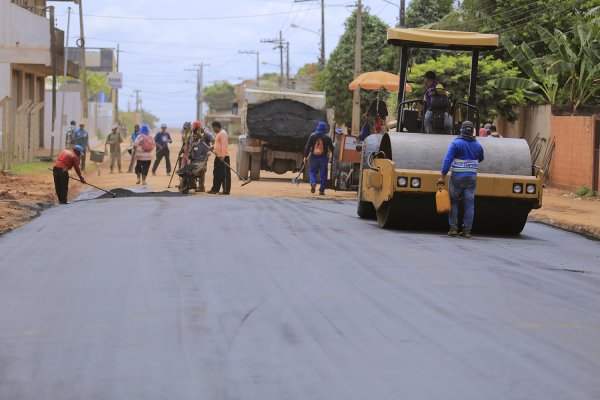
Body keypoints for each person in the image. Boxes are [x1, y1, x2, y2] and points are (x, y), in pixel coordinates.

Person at [437, 121, 484, 238]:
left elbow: (448, 160)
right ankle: (467, 230)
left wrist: (443, 175)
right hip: (471, 178)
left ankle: (453, 228)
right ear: (472, 131)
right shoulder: (478, 145)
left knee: (453, 202)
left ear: (462, 130)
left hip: (456, 178)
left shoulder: (456, 143)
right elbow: (481, 158)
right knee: (469, 204)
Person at [178, 120, 215, 192]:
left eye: (194, 127)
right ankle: (192, 184)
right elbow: (187, 142)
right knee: (190, 171)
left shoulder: (205, 133)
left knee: (201, 170)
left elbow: (213, 140)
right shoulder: (191, 134)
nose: (193, 129)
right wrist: (183, 149)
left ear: (198, 127)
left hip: (203, 157)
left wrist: (212, 146)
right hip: (193, 156)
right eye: (193, 127)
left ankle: (201, 187)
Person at [304, 121, 334, 195]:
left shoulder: (312, 136)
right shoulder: (327, 138)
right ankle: (321, 190)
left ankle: (313, 182)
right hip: (323, 158)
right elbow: (332, 148)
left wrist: (305, 156)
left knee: (312, 172)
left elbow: (307, 147)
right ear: (324, 128)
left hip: (314, 157)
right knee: (323, 174)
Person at [208, 121, 231, 195]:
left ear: (216, 127)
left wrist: (223, 156)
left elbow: (225, 145)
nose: (213, 130)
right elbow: (217, 144)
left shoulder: (223, 133)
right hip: (218, 157)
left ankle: (226, 191)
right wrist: (212, 147)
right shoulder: (218, 134)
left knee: (224, 175)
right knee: (216, 173)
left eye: (213, 128)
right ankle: (215, 189)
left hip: (223, 157)